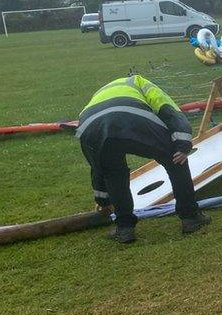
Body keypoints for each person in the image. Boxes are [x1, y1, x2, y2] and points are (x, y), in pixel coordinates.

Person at [76, 75, 210, 243]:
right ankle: (191, 217)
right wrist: (182, 145)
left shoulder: (98, 95)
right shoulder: (140, 82)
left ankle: (124, 229)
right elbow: (167, 108)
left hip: (90, 126)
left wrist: (102, 201)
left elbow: (97, 168)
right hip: (133, 117)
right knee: (176, 161)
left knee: (111, 173)